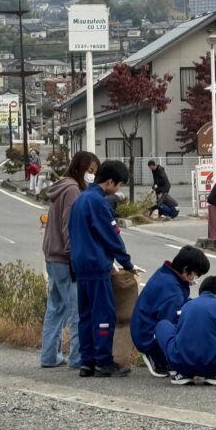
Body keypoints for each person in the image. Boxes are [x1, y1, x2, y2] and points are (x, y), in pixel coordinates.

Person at [69, 160, 138, 378]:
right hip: (97, 265)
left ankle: (87, 362)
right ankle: (103, 360)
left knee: (86, 315)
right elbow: (111, 237)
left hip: (80, 264)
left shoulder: (80, 200)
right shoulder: (98, 203)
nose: (118, 189)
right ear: (109, 182)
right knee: (104, 314)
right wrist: (127, 263)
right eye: (118, 185)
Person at [40, 151, 100, 369]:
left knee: (55, 308)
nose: (91, 175)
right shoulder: (73, 190)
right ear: (80, 168)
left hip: (52, 256)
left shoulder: (61, 186)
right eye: (90, 171)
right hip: (66, 259)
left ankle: (48, 356)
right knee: (77, 311)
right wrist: (76, 255)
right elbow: (69, 225)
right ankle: (77, 358)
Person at [131, 245, 210, 377]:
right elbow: (170, 324)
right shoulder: (173, 292)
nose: (196, 278)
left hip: (142, 328)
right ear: (186, 270)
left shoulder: (166, 273)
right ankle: (161, 359)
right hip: (148, 337)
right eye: (196, 274)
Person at [155, 276, 216, 386]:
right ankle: (215, 374)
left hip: (182, 364)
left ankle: (182, 374)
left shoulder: (187, 306)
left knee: (163, 325)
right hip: (213, 365)